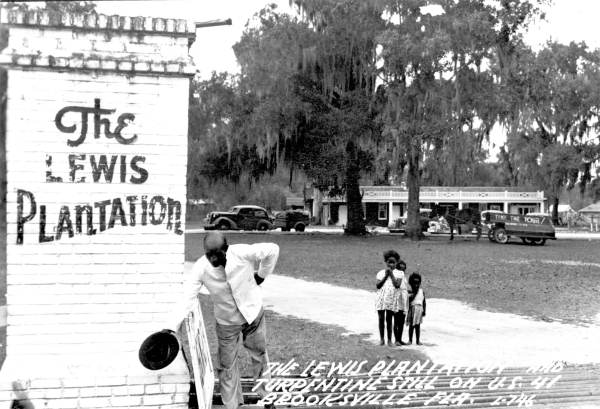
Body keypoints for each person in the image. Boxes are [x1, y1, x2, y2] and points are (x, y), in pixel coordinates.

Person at [170, 231, 279, 409]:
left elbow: (273, 249)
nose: (212, 258)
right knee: (227, 366)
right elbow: (187, 297)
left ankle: (267, 398)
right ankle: (232, 405)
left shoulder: (242, 253)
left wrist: (261, 274)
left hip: (252, 314)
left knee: (259, 355)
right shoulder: (201, 267)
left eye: (217, 253)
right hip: (227, 323)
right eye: (208, 254)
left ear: (226, 249)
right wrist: (171, 327)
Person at [375, 250, 403, 346]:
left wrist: (391, 275)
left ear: (397, 263)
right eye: (389, 262)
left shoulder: (399, 273)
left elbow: (397, 285)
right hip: (381, 298)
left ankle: (390, 340)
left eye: (393, 262)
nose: (391, 264)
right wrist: (386, 276)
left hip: (391, 298)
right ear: (386, 262)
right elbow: (378, 286)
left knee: (389, 319)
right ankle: (382, 339)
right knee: (381, 318)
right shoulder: (380, 273)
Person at [407, 272, 426, 345]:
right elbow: (409, 301)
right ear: (411, 284)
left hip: (419, 310)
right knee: (411, 326)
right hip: (412, 309)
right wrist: (414, 293)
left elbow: (424, 302)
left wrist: (424, 310)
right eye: (414, 283)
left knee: (418, 326)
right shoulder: (410, 292)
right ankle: (410, 340)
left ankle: (418, 340)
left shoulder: (422, 291)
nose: (416, 285)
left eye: (418, 283)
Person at [394, 260, 409, 346]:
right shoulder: (396, 275)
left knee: (401, 321)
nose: (402, 270)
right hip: (397, 299)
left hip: (404, 299)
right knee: (396, 321)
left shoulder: (404, 277)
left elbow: (404, 287)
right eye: (401, 268)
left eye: (404, 268)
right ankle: (396, 340)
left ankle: (400, 339)